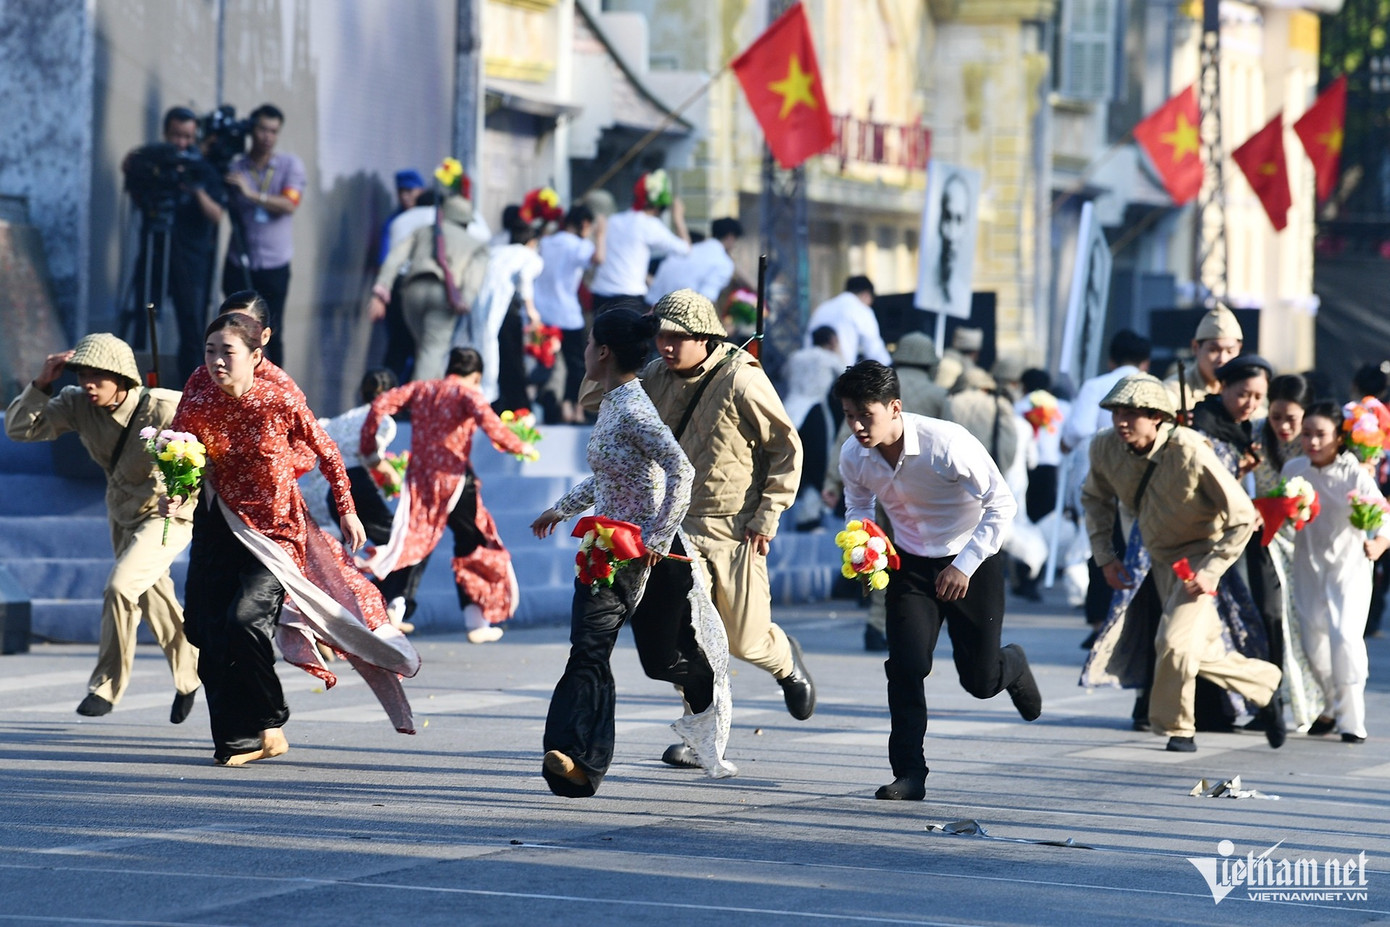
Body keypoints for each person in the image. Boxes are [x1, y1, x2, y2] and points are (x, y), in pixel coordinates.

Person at [166, 312, 419, 766]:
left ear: (256, 355)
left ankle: (271, 720)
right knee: (206, 632)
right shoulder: (198, 390)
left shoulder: (276, 398)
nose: (217, 362)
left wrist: (347, 510)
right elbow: (183, 450)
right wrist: (176, 494)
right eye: (210, 352)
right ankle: (239, 740)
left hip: (274, 533)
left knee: (244, 619)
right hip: (218, 524)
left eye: (228, 353)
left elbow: (328, 451)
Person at [530, 307, 737, 796]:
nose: (582, 351)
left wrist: (657, 539)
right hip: (607, 547)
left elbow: (680, 471)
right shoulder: (612, 403)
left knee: (651, 660)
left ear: (603, 351)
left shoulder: (632, 408)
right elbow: (612, 478)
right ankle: (577, 762)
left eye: (586, 344)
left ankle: (702, 686)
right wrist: (560, 509)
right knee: (591, 650)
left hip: (644, 556)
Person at [835, 361, 1041, 801]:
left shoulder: (946, 443)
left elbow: (1001, 505)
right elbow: (859, 507)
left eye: (864, 415)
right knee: (906, 667)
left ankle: (1014, 664)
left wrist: (964, 565)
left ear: (894, 407)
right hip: (910, 565)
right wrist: (864, 545)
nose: (856, 426)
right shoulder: (853, 454)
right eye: (849, 415)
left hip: (973, 559)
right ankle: (910, 772)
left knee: (980, 682)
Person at [639, 290, 812, 768]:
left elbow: (786, 449)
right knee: (685, 639)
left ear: (706, 337)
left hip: (732, 528)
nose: (665, 346)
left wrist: (768, 514)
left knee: (744, 639)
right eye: (660, 336)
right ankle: (702, 739)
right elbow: (600, 399)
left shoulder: (742, 380)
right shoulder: (653, 375)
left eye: (677, 337)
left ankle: (785, 660)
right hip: (672, 525)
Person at [1080, 373, 1284, 753]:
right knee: (1200, 651)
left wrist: (1209, 572)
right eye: (1116, 412)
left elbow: (1240, 516)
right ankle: (1263, 683)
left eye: (1133, 413)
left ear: (1157, 417)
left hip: (1200, 555)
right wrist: (1105, 557)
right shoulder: (1104, 448)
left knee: (1172, 642)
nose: (1121, 420)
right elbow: (1094, 499)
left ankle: (1180, 729)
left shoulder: (1189, 449)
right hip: (1159, 557)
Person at [5, 333, 200, 721]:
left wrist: (183, 491)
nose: (88, 384)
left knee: (120, 586)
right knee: (153, 596)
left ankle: (106, 686)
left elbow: (207, 453)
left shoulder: (163, 406)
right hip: (122, 512)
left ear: (123, 377)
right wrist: (42, 383)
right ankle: (191, 674)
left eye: (98, 376)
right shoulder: (77, 404)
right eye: (82, 375)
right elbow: (19, 429)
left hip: (167, 513)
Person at [360, 348, 531, 644]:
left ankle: (392, 610)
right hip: (453, 481)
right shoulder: (467, 394)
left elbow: (379, 405)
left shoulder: (422, 388)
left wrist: (370, 452)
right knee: (474, 542)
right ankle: (476, 620)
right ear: (476, 376)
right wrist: (520, 446)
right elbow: (491, 424)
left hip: (420, 481)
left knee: (414, 542)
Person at [1283, 401, 1388, 744]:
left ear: (1339, 438)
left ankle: (1352, 720)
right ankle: (1330, 706)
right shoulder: (1294, 469)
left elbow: (1383, 513)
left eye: (1321, 435)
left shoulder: (1355, 472)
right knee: (1314, 642)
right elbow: (1282, 512)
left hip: (1350, 567)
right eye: (1308, 434)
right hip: (1308, 565)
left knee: (1344, 637)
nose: (1313, 442)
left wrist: (1380, 543)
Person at [122, 106, 226, 383]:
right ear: (166, 133)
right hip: (154, 253)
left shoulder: (203, 169)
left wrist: (196, 190)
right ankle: (132, 380)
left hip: (190, 261)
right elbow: (135, 190)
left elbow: (217, 215)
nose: (181, 143)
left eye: (187, 137)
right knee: (142, 315)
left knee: (191, 326)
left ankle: (190, 388)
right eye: (176, 136)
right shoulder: (153, 162)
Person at [1061, 329, 1151, 645]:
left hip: (1098, 476)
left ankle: (1102, 619)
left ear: (1111, 359)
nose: (1122, 421)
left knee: (1099, 545)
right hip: (1132, 477)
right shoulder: (1150, 386)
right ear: (1146, 362)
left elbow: (1076, 431)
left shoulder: (1095, 386)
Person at [302, 369, 407, 628]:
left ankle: (358, 600)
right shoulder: (381, 420)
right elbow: (368, 454)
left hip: (326, 489)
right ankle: (386, 603)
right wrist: (393, 475)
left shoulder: (344, 418)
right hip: (355, 484)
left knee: (342, 549)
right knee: (400, 543)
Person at [1249, 374, 1323, 731]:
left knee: (1311, 625)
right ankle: (1269, 700)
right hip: (1263, 543)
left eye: (1292, 418)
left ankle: (1321, 703)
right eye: (1276, 416)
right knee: (1269, 617)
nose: (1283, 426)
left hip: (1308, 545)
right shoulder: (1253, 435)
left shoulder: (1319, 443)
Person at [371, 192, 489, 382]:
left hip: (411, 292)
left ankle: (433, 399)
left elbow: (394, 259)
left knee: (426, 351)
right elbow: (473, 279)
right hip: (444, 297)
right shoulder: (476, 245)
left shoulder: (423, 231)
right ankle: (421, 406)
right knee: (432, 350)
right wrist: (464, 299)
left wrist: (381, 289)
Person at [222, 104, 305, 367]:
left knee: (272, 332)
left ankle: (275, 390)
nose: (267, 136)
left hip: (274, 264)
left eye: (273, 131)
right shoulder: (237, 166)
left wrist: (251, 194)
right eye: (262, 129)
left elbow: (290, 204)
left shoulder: (289, 165)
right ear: (251, 129)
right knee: (234, 328)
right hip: (240, 259)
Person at [536, 204, 605, 423]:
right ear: (584, 224)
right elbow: (599, 258)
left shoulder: (546, 241)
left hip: (541, 314)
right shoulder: (579, 245)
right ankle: (573, 407)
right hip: (567, 315)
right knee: (576, 363)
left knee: (544, 360)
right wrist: (600, 236)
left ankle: (544, 403)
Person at [464, 222, 543, 410]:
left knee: (482, 344)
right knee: (502, 353)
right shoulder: (530, 256)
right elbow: (525, 279)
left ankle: (483, 395)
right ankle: (494, 397)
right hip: (503, 307)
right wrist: (531, 310)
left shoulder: (497, 251)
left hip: (477, 300)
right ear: (532, 242)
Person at [587, 170, 690, 312]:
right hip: (629, 297)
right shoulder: (649, 224)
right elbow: (685, 249)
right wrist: (678, 218)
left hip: (601, 294)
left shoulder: (614, 220)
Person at [373, 169, 429, 382]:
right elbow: (385, 260)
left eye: (410, 191)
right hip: (398, 288)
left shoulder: (427, 216)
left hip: (416, 286)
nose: (406, 196)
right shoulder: (395, 221)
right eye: (401, 192)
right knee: (400, 345)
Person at [1164, 305, 1243, 414]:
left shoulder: (1245, 388)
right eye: (1213, 350)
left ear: (1239, 349)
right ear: (1196, 348)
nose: (1222, 359)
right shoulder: (1176, 390)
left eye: (1230, 351)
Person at [645, 217, 742, 305]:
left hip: (651, 307)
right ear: (730, 237)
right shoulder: (724, 263)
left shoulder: (689, 248)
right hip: (678, 315)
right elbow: (706, 300)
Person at [804, 276, 890, 370]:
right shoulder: (860, 309)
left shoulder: (823, 307)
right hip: (839, 374)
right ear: (866, 295)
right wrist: (890, 369)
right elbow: (874, 349)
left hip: (810, 371)